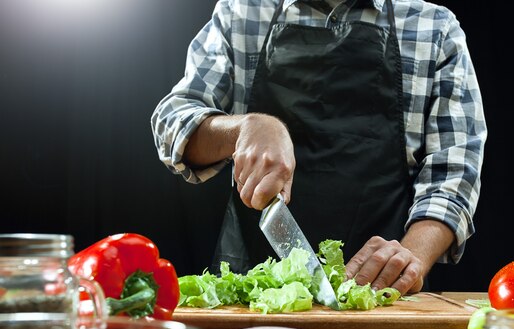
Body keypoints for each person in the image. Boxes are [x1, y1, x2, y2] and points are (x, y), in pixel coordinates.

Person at [151, 0, 487, 295]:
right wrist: (243, 128)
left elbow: (453, 175)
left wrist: (411, 257)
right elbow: (172, 122)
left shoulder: (434, 29)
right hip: (252, 300)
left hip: (381, 299)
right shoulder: (241, 12)